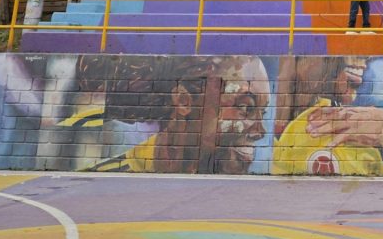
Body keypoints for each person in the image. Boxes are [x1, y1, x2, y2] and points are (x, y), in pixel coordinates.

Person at [83, 55, 271, 174]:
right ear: (183, 101)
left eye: (262, 112)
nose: (260, 132)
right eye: (246, 108)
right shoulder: (111, 182)